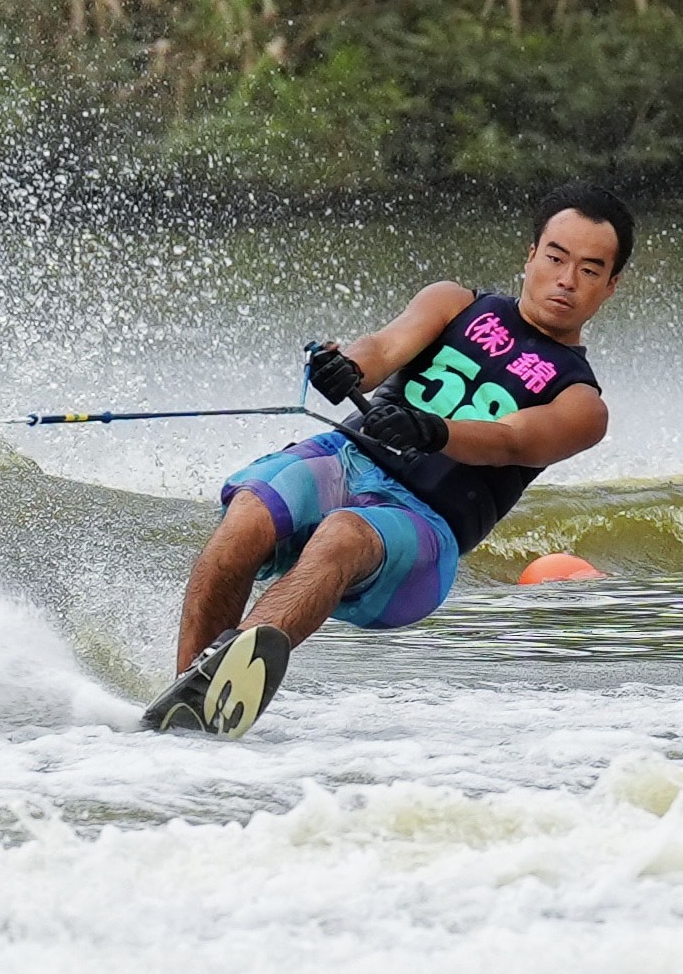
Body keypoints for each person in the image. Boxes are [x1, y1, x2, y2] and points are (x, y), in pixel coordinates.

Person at [143, 182, 634, 736]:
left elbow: (514, 438)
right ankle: (185, 700)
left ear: (610, 286)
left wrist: (433, 429)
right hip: (347, 457)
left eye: (590, 270)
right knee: (249, 516)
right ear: (531, 255)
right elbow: (382, 348)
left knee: (342, 537)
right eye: (555, 258)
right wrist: (346, 368)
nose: (567, 280)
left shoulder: (582, 404)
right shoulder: (456, 303)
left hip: (424, 527)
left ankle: (219, 690)